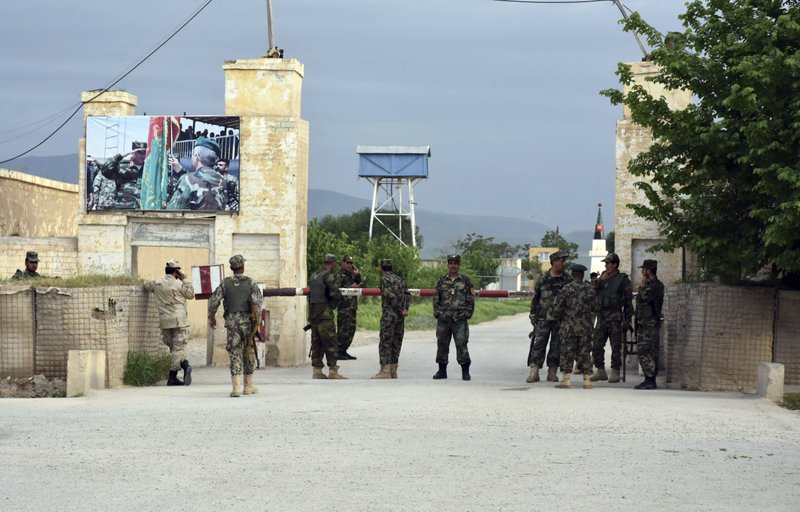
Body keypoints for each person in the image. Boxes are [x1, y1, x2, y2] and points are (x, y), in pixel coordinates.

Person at [208, 255, 263, 397]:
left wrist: (212, 317)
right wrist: (257, 321)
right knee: (249, 351)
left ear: (232, 268)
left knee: (235, 352)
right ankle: (248, 386)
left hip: (232, 322)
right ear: (243, 267)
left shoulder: (225, 283)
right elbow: (256, 303)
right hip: (247, 322)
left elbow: (213, 301)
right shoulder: (251, 283)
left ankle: (236, 388)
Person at [143, 260, 195, 386]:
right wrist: (185, 279)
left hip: (165, 321)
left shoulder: (157, 283)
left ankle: (185, 364)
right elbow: (190, 294)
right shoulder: (179, 284)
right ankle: (173, 376)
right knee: (179, 347)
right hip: (179, 321)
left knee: (174, 348)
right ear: (177, 272)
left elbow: (146, 285)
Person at [527, 251, 573, 383]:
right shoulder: (542, 278)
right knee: (539, 345)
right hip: (543, 318)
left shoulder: (567, 279)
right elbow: (536, 298)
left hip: (560, 319)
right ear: (554, 262)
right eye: (561, 261)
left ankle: (552, 372)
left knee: (557, 346)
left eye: (564, 261)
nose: (564, 264)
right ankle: (534, 371)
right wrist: (533, 315)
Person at [548, 264, 596, 389]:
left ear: (573, 274)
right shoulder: (590, 289)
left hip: (568, 327)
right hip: (585, 327)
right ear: (583, 274)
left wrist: (558, 318)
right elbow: (596, 307)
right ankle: (587, 380)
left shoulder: (566, 289)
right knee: (585, 353)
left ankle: (566, 379)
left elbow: (557, 309)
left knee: (567, 352)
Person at [589, 252, 633, 384]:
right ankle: (600, 370)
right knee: (597, 345)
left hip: (615, 318)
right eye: (605, 263)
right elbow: (590, 292)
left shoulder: (623, 279)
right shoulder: (602, 278)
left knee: (615, 347)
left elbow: (628, 301)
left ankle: (615, 371)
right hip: (601, 317)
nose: (606, 265)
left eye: (608, 263)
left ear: (615, 264)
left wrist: (627, 319)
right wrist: (599, 280)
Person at [432, 254, 475, 381]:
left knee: (461, 344)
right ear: (448, 265)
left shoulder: (465, 281)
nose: (453, 266)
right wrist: (438, 313)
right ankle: (442, 371)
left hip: (459, 319)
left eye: (455, 263)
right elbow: (436, 298)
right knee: (442, 344)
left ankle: (465, 371)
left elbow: (471, 299)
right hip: (444, 319)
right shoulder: (441, 280)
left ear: (459, 265)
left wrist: (467, 314)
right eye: (451, 263)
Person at [307, 254, 347, 379]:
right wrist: (331, 306)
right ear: (333, 263)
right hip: (325, 316)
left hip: (314, 315)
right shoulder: (328, 276)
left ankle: (317, 371)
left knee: (316, 343)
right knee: (330, 342)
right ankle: (333, 371)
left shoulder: (314, 276)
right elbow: (336, 293)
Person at [372, 259, 410, 379]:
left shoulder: (384, 279)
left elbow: (389, 295)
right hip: (400, 316)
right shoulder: (400, 279)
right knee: (396, 341)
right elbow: (407, 295)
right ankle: (393, 369)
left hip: (389, 315)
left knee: (385, 341)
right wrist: (404, 309)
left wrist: (399, 308)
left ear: (381, 268)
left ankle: (385, 370)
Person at [167, 137, 227, 210]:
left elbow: (172, 212)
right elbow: (202, 179)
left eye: (192, 155)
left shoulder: (187, 179)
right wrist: (180, 170)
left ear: (197, 156)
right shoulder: (222, 181)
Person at [634, 259, 664, 390]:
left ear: (648, 271)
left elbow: (642, 299)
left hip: (649, 324)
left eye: (643, 269)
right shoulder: (652, 285)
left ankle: (650, 379)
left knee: (646, 351)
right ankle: (649, 378)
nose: (642, 272)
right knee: (646, 351)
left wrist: (641, 287)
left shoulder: (654, 286)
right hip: (645, 323)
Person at [98, 141, 147, 209]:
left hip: (143, 208)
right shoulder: (122, 166)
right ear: (132, 152)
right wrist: (119, 156)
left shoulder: (148, 168)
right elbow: (105, 170)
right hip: (125, 207)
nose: (142, 155)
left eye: (144, 153)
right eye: (139, 152)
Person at [334, 255, 363, 360]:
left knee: (351, 329)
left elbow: (360, 284)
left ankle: (344, 350)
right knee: (343, 329)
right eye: (347, 263)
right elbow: (336, 288)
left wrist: (358, 275)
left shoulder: (352, 274)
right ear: (343, 263)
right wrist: (350, 287)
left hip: (352, 306)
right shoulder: (339, 274)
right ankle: (338, 351)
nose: (349, 265)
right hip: (343, 307)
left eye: (351, 263)